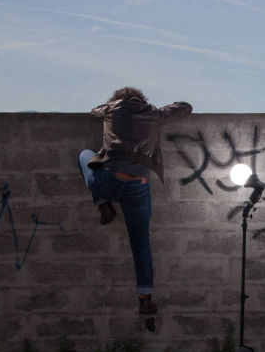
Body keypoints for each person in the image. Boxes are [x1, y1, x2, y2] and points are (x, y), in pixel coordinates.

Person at [78, 87, 192, 315]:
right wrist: (158, 111)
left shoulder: (109, 110)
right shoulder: (154, 114)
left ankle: (103, 204)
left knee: (84, 155)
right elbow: (186, 107)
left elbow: (93, 112)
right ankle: (145, 298)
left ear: (116, 100)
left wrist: (108, 109)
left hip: (109, 180)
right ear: (141, 100)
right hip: (137, 186)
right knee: (140, 244)